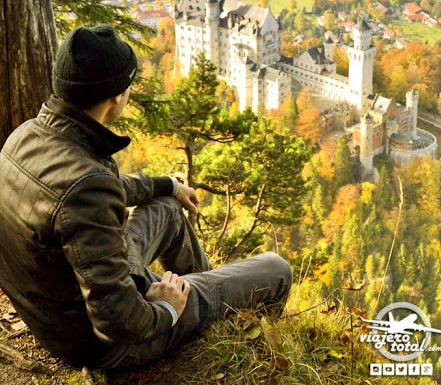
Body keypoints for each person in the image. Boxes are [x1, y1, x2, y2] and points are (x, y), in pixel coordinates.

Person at [0, 24, 292, 369]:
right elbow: (116, 321)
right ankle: (207, 313)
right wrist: (167, 309)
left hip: (58, 306)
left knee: (168, 209)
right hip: (102, 342)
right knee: (277, 269)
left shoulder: (25, 136)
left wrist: (168, 185)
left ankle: (212, 306)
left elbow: (96, 193)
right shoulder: (86, 185)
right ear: (116, 97)